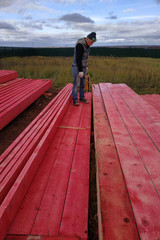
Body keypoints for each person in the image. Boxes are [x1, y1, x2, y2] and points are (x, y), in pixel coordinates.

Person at [72, 32, 96, 106]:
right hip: (77, 67)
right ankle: (75, 99)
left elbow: (85, 57)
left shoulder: (87, 44)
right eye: (91, 42)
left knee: (83, 83)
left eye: (93, 42)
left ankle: (82, 97)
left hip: (84, 67)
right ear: (87, 38)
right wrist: (80, 71)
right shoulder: (80, 44)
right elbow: (78, 59)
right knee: (77, 84)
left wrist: (86, 66)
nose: (91, 44)